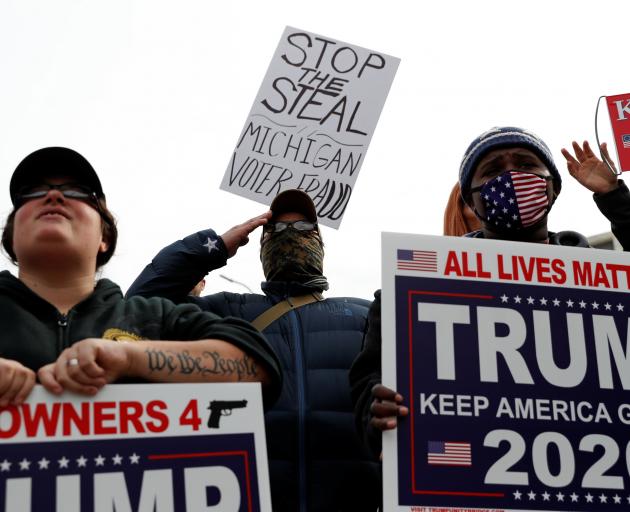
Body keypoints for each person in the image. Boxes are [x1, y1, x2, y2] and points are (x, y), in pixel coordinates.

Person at [349, 126, 630, 458]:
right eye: (493, 170)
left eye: (526, 164)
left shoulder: (602, 283)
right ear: (471, 199)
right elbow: (371, 380)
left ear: (551, 188)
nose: (511, 176)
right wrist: (376, 414)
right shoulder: (412, 289)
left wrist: (615, 198)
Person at [127, 189, 380, 511]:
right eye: (276, 230)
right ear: (260, 245)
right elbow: (140, 308)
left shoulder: (364, 315)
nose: (290, 236)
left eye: (304, 229)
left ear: (320, 244)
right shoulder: (226, 311)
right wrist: (214, 246)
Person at [0, 147, 281, 408]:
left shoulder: (155, 316)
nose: (53, 196)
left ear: (105, 238)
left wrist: (130, 357)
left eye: (76, 191)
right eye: (33, 191)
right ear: (11, 236)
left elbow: (259, 368)